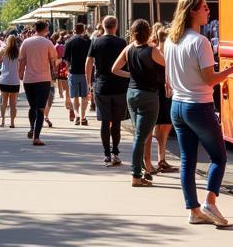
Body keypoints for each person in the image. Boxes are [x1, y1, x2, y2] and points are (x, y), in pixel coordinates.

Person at [166, 0, 233, 225]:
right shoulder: (200, 42)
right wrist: (231, 70)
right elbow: (209, 79)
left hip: (178, 105)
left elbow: (169, 78)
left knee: (188, 160)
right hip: (198, 104)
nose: (208, 11)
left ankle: (193, 209)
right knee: (218, 156)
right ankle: (210, 201)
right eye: (205, 8)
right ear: (192, 12)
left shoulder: (170, 40)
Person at [111, 19, 165, 186]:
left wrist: (131, 75)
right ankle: (136, 174)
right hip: (148, 95)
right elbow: (168, 65)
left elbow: (114, 69)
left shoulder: (128, 49)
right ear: (148, 32)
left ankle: (142, 169)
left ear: (132, 32)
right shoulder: (152, 51)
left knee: (139, 134)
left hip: (132, 94)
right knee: (140, 137)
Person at [85, 15, 129, 166]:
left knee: (105, 121)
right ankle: (115, 151)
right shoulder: (122, 42)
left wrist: (88, 82)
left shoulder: (96, 42)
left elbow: (88, 63)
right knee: (116, 122)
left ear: (103, 26)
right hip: (119, 86)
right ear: (115, 26)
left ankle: (106, 154)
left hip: (101, 86)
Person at [18, 20, 57, 146]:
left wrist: (20, 73)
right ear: (45, 28)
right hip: (43, 79)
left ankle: (31, 127)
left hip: (29, 79)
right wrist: (54, 71)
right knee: (40, 108)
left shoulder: (26, 42)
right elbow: (53, 59)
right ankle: (37, 137)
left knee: (32, 106)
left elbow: (22, 60)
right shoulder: (47, 42)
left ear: (35, 28)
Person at [150, 22, 175, 173]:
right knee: (164, 126)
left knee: (161, 125)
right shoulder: (165, 53)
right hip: (165, 91)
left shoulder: (155, 51)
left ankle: (160, 158)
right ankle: (161, 158)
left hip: (157, 90)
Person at [64, 24, 92, 125]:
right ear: (83, 30)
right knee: (84, 96)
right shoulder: (88, 41)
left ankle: (77, 115)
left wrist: (69, 67)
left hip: (73, 72)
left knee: (74, 95)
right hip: (85, 72)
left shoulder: (69, 41)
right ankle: (83, 117)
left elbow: (65, 59)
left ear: (74, 30)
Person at [0, 33, 21, 127]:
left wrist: (2, 59)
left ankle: (2, 121)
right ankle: (12, 123)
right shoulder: (18, 51)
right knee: (13, 104)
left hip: (5, 78)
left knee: (4, 102)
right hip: (15, 79)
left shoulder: (3, 49)